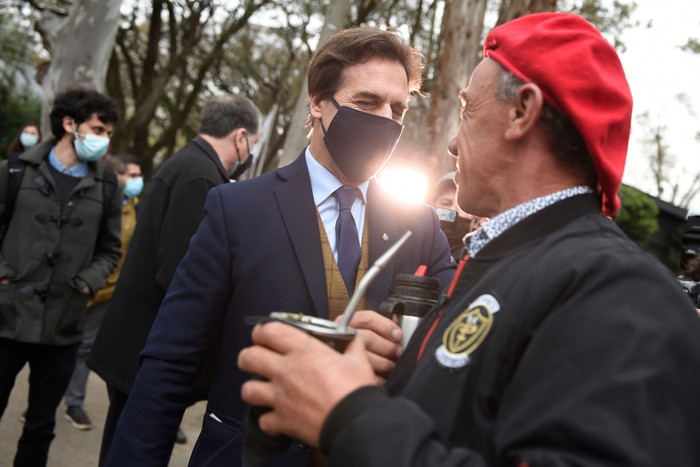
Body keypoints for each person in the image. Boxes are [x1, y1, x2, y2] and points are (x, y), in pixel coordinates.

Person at [238, 12, 700, 466]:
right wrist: (393, 375)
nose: (453, 144)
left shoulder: (620, 294)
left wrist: (351, 416)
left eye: (467, 110)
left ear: (522, 111)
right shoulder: (503, 263)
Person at [104, 27, 456, 467]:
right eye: (367, 102)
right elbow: (170, 365)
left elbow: (453, 343)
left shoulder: (417, 223)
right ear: (317, 102)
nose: (385, 119)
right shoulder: (237, 210)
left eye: (397, 108)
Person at [88, 93, 262, 465]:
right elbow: (182, 274)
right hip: (146, 350)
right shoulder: (200, 177)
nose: (252, 153)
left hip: (135, 343)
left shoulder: (188, 163)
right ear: (241, 136)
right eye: (255, 144)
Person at [0, 88, 121, 467]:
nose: (104, 139)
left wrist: (87, 281)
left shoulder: (106, 185)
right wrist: (3, 276)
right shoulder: (16, 171)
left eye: (108, 133)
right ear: (69, 124)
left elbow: (111, 250)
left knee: (40, 425)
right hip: (7, 319)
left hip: (64, 325)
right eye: (98, 128)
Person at [62, 153, 143, 431]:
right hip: (79, 285)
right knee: (60, 345)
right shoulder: (96, 201)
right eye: (128, 175)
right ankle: (44, 400)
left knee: (84, 347)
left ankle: (74, 402)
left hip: (108, 292)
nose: (132, 182)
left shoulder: (136, 209)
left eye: (135, 176)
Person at [430, 171, 486, 260]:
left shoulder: (481, 255)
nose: (453, 210)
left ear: (476, 217)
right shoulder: (414, 243)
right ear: (432, 206)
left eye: (461, 205)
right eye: (446, 203)